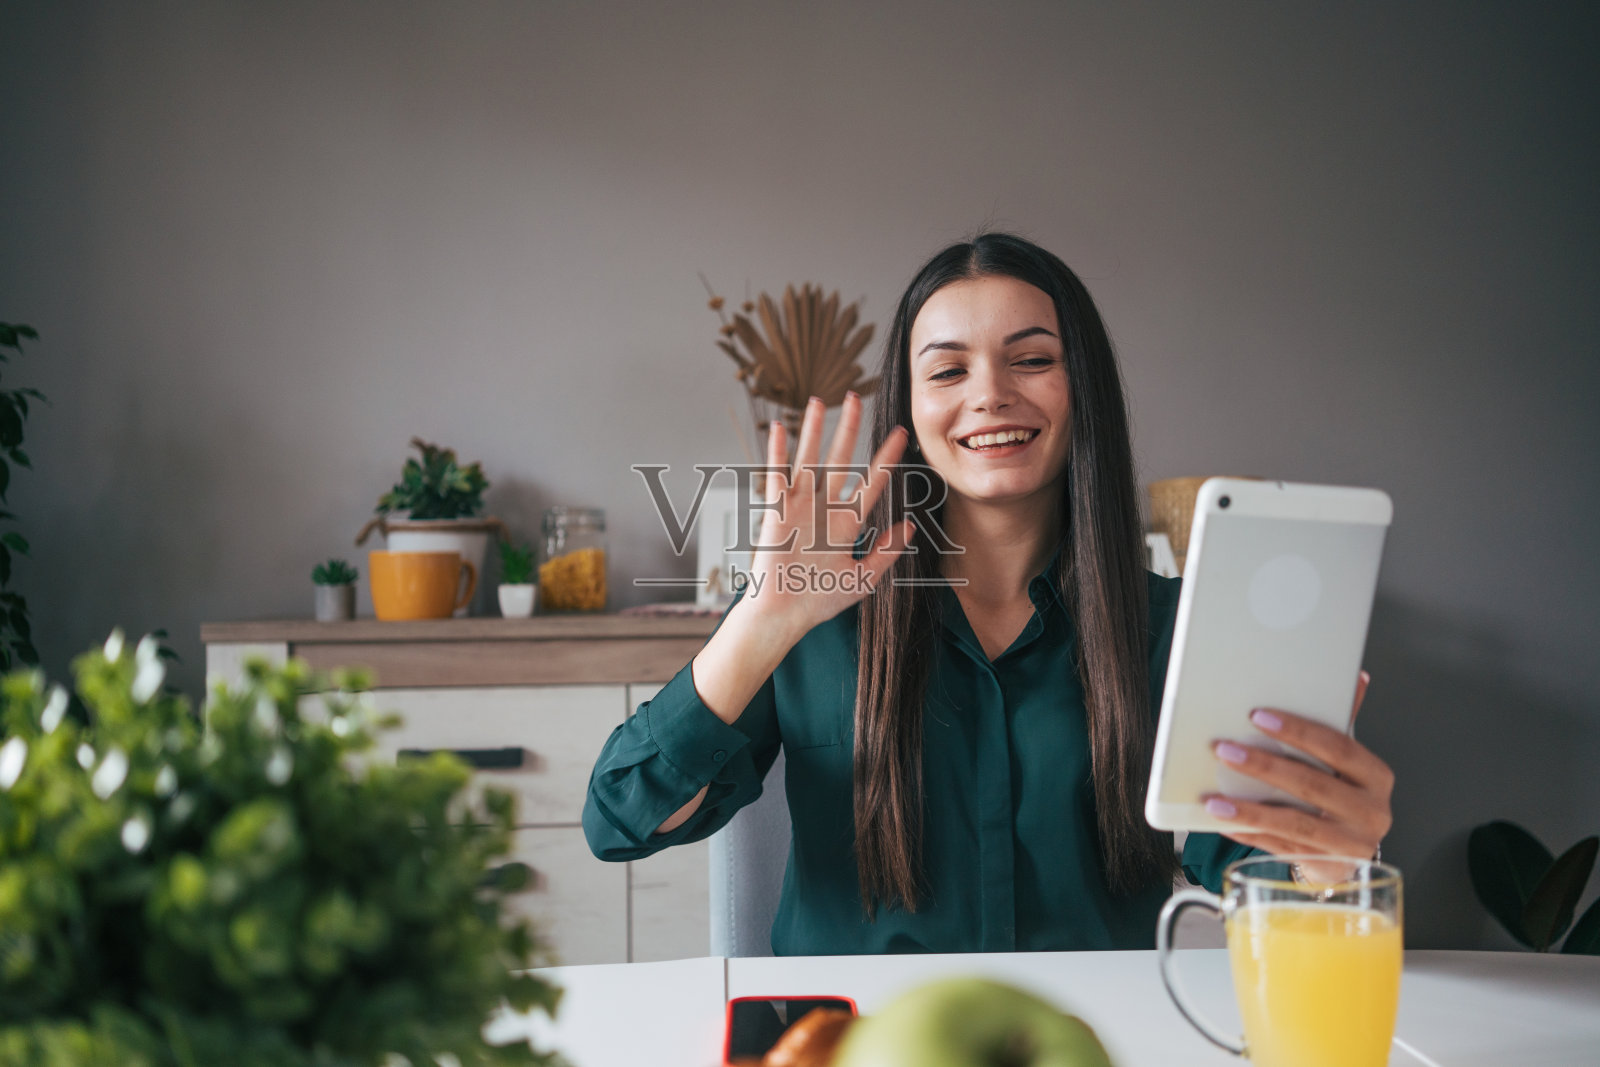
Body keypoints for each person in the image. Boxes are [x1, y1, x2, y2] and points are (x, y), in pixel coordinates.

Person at [583, 232, 1394, 954]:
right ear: (910, 406)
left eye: (1032, 358)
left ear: (1085, 392)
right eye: (948, 369)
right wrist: (761, 623)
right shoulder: (808, 613)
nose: (991, 393)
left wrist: (1327, 863)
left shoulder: (1174, 629)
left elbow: (1264, 888)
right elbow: (620, 821)